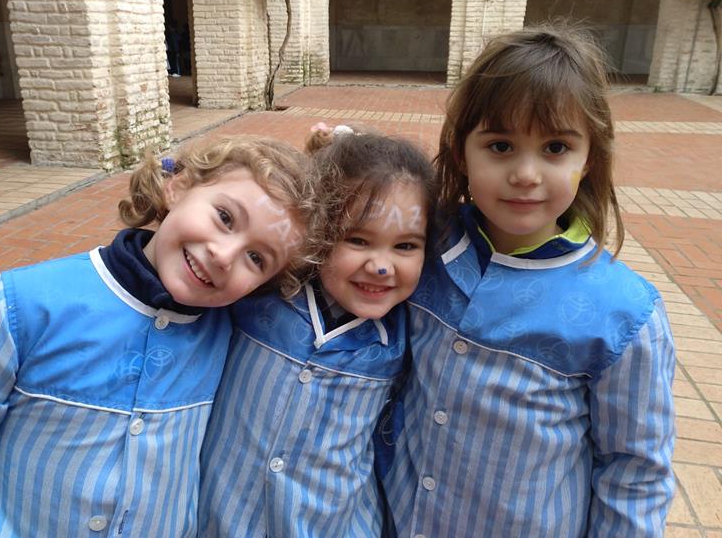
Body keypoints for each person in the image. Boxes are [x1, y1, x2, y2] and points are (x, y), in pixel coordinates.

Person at [0, 135, 308, 537]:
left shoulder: (231, 335)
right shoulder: (22, 306)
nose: (224, 256)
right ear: (177, 187)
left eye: (256, 258)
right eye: (225, 217)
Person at [382, 26, 676, 537]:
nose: (525, 174)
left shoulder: (624, 315)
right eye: (500, 145)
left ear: (589, 159)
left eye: (555, 147)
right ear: (461, 152)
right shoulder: (421, 247)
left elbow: (636, 473)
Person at [198, 125, 435, 537]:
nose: (382, 266)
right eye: (357, 240)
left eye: (405, 246)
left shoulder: (407, 339)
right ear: (319, 231)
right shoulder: (261, 296)